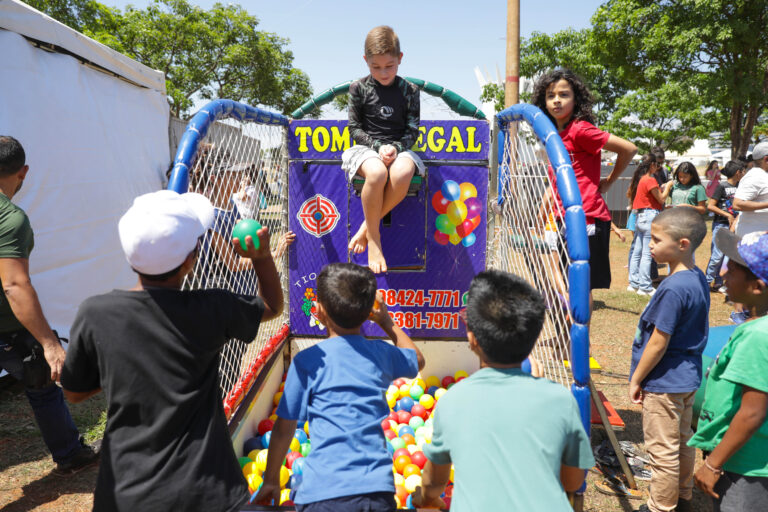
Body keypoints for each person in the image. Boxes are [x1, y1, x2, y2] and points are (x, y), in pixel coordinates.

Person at [60, 190, 283, 511]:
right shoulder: (213, 307)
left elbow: (74, 393)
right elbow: (273, 306)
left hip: (126, 493)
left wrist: (121, 370)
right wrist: (261, 257)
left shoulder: (96, 313)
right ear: (190, 261)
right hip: (208, 490)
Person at [410, 270, 594, 510]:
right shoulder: (560, 399)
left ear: (472, 339)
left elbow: (434, 482)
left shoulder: (454, 401)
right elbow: (573, 480)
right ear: (535, 336)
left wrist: (425, 499)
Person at [253, 262, 425, 510]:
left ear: (319, 311)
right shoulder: (379, 353)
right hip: (375, 491)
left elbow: (283, 428)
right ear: (369, 313)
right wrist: (387, 322)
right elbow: (417, 360)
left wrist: (270, 479)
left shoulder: (307, 362)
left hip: (322, 493)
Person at [0, 135, 99, 475]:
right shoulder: (10, 219)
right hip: (7, 329)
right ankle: (70, 454)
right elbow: (14, 284)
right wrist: (50, 343)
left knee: (39, 379)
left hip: (9, 331)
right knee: (42, 377)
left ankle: (70, 453)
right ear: (23, 172)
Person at [628, 208, 710, 512]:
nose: (650, 244)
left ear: (683, 244)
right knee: (684, 441)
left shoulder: (673, 288)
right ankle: (683, 496)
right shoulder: (696, 276)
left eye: (657, 239)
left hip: (664, 381)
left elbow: (658, 342)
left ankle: (661, 506)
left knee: (662, 450)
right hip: (687, 376)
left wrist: (637, 378)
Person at [532, 68, 637, 300]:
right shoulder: (553, 136)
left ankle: (580, 337)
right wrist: (542, 213)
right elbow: (556, 183)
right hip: (564, 217)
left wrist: (609, 182)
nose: (556, 100)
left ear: (576, 98)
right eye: (551, 96)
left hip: (587, 216)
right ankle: (570, 333)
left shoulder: (580, 129)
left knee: (581, 285)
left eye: (564, 94)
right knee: (567, 279)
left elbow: (629, 149)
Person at [689, 229, 768, 512]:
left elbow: (753, 411)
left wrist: (713, 464)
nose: (723, 274)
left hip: (746, 465)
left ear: (757, 286)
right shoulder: (756, 327)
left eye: (732, 270)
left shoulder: (759, 336)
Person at [343, 26, 424, 274]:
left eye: (389, 66)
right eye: (376, 67)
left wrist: (396, 148)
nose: (383, 72)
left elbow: (412, 131)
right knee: (377, 173)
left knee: (401, 173)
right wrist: (378, 147)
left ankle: (365, 230)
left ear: (400, 59)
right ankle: (374, 242)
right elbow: (354, 128)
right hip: (365, 149)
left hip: (400, 148)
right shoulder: (358, 88)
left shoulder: (410, 91)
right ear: (366, 61)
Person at [627, 159, 668, 295]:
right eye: (657, 164)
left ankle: (634, 283)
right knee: (646, 254)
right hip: (649, 216)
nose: (658, 167)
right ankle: (645, 286)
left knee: (637, 253)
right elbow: (661, 199)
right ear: (652, 165)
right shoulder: (650, 179)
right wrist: (668, 187)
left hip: (640, 217)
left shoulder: (642, 179)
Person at [705, 160, 745, 292]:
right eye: (743, 171)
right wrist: (727, 215)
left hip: (736, 226)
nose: (745, 173)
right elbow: (710, 206)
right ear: (738, 172)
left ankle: (719, 282)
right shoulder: (722, 186)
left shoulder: (743, 187)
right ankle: (706, 282)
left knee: (728, 257)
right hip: (720, 225)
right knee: (717, 256)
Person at [733, 141, 768, 238]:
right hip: (754, 240)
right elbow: (737, 204)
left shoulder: (763, 176)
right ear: (766, 159)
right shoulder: (754, 177)